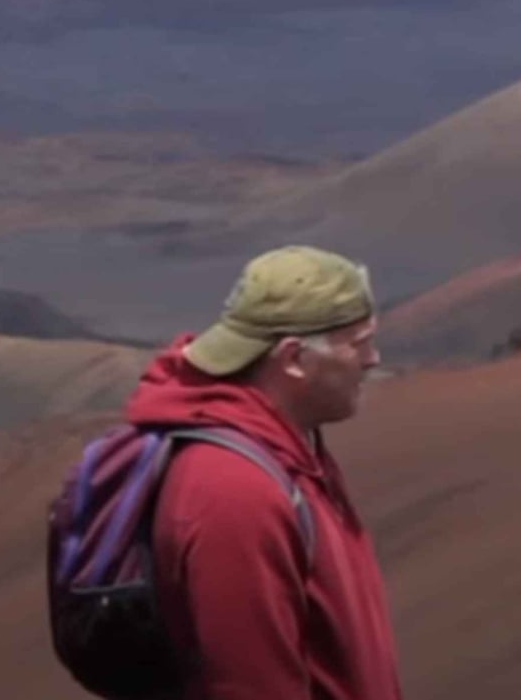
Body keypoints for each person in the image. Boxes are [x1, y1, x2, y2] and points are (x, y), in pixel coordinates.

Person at [125, 245, 403, 700]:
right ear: (293, 359)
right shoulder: (234, 493)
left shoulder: (290, 447)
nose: (372, 358)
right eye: (358, 343)